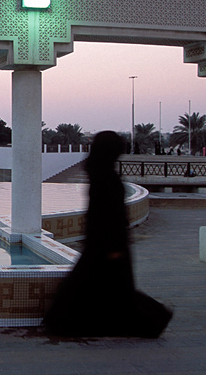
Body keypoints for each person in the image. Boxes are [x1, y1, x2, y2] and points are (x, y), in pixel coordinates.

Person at [42, 131, 172, 338]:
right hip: (106, 245)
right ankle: (153, 318)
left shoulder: (101, 175)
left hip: (104, 246)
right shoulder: (105, 176)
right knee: (114, 291)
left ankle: (154, 318)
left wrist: (109, 247)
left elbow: (108, 216)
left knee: (100, 289)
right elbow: (106, 215)